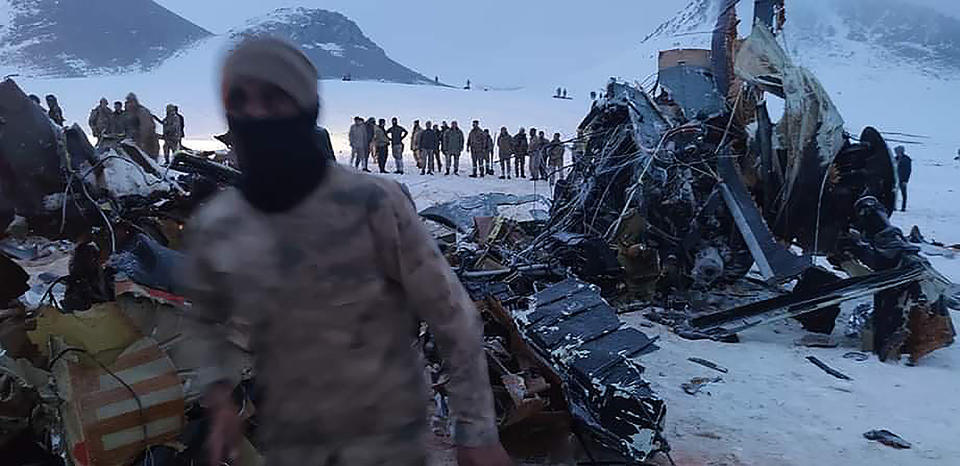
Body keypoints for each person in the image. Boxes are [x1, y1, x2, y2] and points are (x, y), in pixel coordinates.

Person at [180, 37, 507, 466]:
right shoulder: (219, 224)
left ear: (306, 107)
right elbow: (203, 319)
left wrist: (476, 432)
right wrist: (220, 398)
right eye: (240, 100)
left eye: (274, 99)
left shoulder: (373, 203)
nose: (255, 113)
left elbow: (453, 317)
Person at [123, 93, 161, 159]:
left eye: (130, 102)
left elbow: (146, 128)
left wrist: (140, 142)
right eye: (128, 102)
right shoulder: (129, 114)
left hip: (147, 144)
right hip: (136, 144)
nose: (129, 104)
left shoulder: (142, 111)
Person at [895, 146, 912, 212]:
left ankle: (903, 207)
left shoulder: (906, 160)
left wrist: (905, 180)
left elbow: (908, 171)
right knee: (895, 193)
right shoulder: (895, 159)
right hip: (896, 178)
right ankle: (894, 206)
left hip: (902, 179)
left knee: (903, 194)